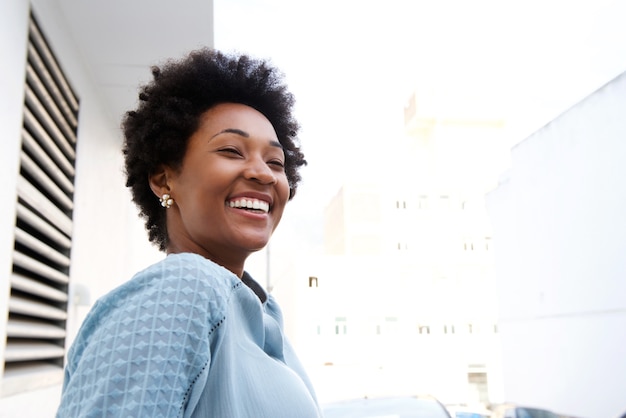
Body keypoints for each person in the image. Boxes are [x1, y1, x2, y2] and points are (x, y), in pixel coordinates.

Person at [56, 48, 320, 417]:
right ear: (164, 180)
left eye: (276, 162)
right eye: (231, 150)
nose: (263, 173)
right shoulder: (182, 290)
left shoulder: (262, 314)